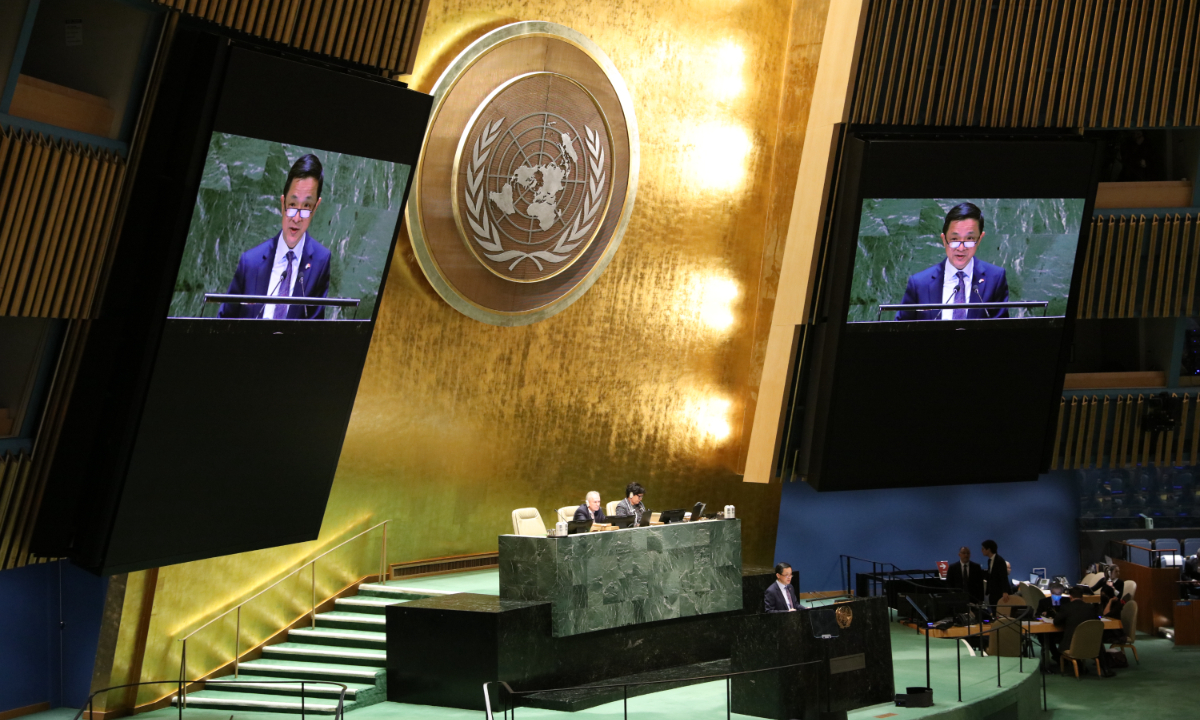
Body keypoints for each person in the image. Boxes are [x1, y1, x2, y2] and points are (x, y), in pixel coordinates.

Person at [219, 154, 333, 319]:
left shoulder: (320, 262)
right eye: (292, 205)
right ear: (283, 203)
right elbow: (224, 321)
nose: (297, 217)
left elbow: (314, 328)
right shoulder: (250, 261)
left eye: (306, 206)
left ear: (315, 208)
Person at [895, 202, 1010, 321]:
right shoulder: (919, 284)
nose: (961, 248)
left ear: (979, 239)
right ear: (944, 240)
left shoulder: (995, 279)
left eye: (969, 239)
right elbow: (901, 327)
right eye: (954, 239)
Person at [1054, 585, 1114, 677]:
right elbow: (1096, 622)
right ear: (1082, 597)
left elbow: (1056, 622)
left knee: (1065, 637)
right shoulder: (1090, 607)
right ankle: (1105, 669)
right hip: (1090, 643)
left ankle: (1078, 666)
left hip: (1071, 645)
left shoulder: (1066, 607)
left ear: (1070, 596)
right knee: (1098, 641)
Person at [980, 539, 1010, 609]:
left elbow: (1003, 577)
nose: (982, 550)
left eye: (983, 548)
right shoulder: (990, 560)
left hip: (999, 592)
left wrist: (1005, 592)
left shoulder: (999, 560)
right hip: (992, 591)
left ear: (989, 549)